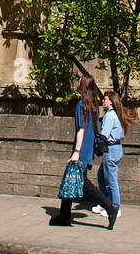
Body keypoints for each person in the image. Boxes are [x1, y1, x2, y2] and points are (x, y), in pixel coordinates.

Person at [50, 75, 118, 229]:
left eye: (79, 80)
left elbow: (81, 130)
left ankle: (110, 207)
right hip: (87, 150)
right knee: (74, 180)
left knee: (81, 183)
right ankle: (65, 216)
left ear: (83, 85)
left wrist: (76, 152)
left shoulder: (81, 105)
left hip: (81, 150)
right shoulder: (93, 105)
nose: (77, 82)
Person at [92, 89, 133, 221]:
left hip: (111, 149)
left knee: (110, 180)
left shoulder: (110, 115)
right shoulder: (113, 114)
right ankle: (104, 203)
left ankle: (115, 207)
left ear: (111, 101)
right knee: (102, 176)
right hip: (114, 148)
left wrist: (97, 143)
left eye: (105, 99)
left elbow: (104, 135)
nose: (103, 101)